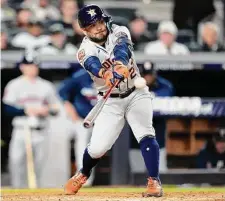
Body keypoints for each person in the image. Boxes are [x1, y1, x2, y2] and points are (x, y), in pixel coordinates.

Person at [64, 4, 163, 197]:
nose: (99, 27)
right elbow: (92, 64)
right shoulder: (83, 50)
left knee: (145, 133)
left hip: (136, 92)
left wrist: (119, 64)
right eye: (93, 25)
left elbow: (122, 47)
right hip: (110, 100)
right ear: (85, 30)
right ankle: (83, 173)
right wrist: (105, 73)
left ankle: (154, 181)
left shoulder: (119, 30)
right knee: (98, 147)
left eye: (100, 22)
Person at [2, 49, 60, 188]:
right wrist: (25, 110)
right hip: (21, 129)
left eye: (34, 65)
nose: (32, 68)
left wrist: (48, 110)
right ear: (22, 66)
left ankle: (35, 194)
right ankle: (17, 193)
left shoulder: (46, 85)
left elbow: (56, 108)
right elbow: (6, 108)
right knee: (17, 164)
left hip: (40, 129)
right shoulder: (15, 84)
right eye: (28, 65)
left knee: (38, 166)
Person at [58, 67, 97, 186]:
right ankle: (84, 178)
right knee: (83, 146)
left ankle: (85, 177)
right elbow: (62, 92)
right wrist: (68, 106)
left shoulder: (111, 76)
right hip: (82, 120)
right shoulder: (80, 76)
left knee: (95, 149)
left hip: (101, 121)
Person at [139, 62, 174, 171]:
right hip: (137, 130)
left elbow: (166, 98)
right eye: (145, 75)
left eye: (150, 75)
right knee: (137, 171)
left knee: (159, 171)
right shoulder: (131, 84)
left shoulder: (165, 85)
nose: (148, 77)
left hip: (157, 128)